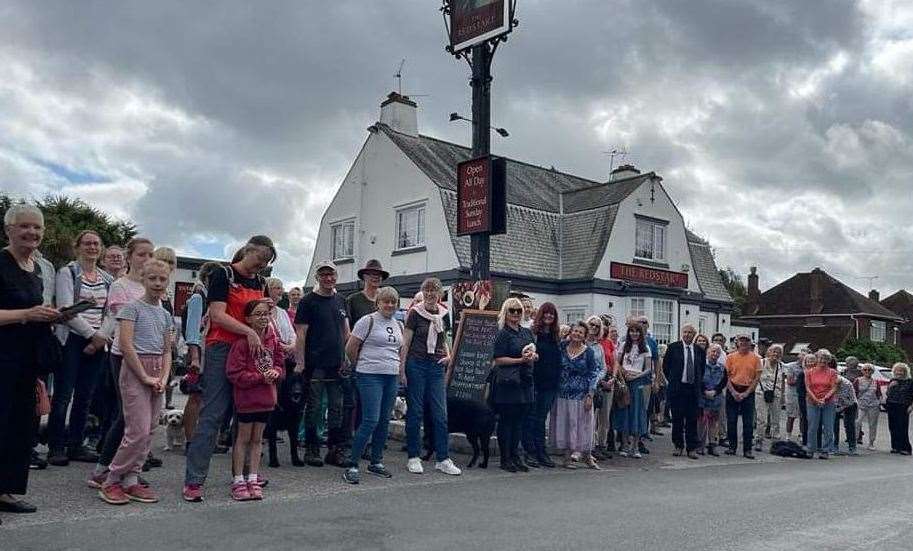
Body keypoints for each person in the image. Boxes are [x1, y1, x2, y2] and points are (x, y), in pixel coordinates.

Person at [183, 235, 275, 502]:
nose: (261, 266)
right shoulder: (223, 275)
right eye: (260, 259)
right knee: (213, 414)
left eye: (267, 262)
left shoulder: (260, 282)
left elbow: (261, 315)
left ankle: (245, 476)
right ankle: (194, 480)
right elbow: (217, 315)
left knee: (247, 416)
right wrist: (248, 331)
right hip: (223, 348)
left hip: (250, 351)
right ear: (248, 250)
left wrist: (263, 314)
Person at [0, 204, 68, 522]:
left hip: (28, 361)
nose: (32, 233)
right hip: (3, 358)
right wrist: (27, 315)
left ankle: (5, 491)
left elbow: (35, 309)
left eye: (37, 228)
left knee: (19, 428)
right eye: (24, 226)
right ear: (8, 229)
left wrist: (52, 315)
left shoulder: (37, 267)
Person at [97, 259, 173, 505]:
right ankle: (112, 477)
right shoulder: (131, 309)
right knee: (136, 430)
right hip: (135, 371)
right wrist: (144, 376)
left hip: (156, 372)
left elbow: (167, 350)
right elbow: (126, 345)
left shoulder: (165, 314)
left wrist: (162, 377)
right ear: (143, 278)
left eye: (162, 279)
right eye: (153, 278)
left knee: (150, 429)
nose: (158, 283)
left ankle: (132, 478)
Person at [88, 238, 155, 488]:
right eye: (141, 254)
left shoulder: (152, 286)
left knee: (143, 419)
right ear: (130, 257)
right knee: (127, 416)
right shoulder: (120, 286)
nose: (146, 259)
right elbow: (124, 323)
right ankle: (102, 469)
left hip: (150, 357)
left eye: (150, 255)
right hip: (123, 355)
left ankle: (128, 470)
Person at [47, 230, 114, 466]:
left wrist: (101, 338)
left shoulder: (108, 279)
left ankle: (76, 444)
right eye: (87, 243)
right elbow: (66, 309)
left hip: (98, 342)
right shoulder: (68, 272)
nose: (92, 247)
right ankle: (56, 446)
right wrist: (91, 335)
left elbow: (112, 312)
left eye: (96, 244)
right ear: (78, 247)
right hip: (72, 339)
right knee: (63, 395)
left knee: (85, 396)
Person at [400, 277, 461, 476]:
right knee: (416, 411)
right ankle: (414, 456)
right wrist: (402, 369)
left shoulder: (444, 314)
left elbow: (444, 339)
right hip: (416, 364)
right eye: (426, 291)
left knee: (440, 414)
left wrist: (449, 356)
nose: (429, 295)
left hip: (436, 366)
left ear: (439, 294)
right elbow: (406, 343)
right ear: (422, 292)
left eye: (433, 291)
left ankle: (443, 458)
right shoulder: (415, 313)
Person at [342, 287, 402, 484]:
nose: (390, 305)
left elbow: (399, 349)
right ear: (378, 303)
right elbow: (351, 347)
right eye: (386, 301)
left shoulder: (397, 323)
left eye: (393, 302)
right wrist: (359, 366)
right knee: (370, 420)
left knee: (384, 420)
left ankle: (376, 461)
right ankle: (352, 463)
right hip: (370, 375)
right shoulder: (367, 321)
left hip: (391, 376)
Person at [225, 299, 284, 500]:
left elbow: (279, 363)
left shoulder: (273, 340)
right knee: (243, 438)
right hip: (247, 399)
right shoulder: (241, 343)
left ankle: (252, 477)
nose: (263, 318)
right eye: (258, 314)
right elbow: (234, 373)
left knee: (258, 439)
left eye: (266, 314)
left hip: (267, 398)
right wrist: (260, 377)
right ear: (248, 319)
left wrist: (275, 372)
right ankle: (238, 479)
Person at [294, 261, 350, 468]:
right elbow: (301, 333)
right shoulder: (308, 301)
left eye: (331, 274)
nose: (328, 278)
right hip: (315, 363)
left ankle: (334, 450)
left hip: (337, 363)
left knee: (337, 408)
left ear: (336, 276)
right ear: (317, 277)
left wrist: (348, 358)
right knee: (315, 407)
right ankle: (312, 448)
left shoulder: (341, 300)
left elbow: (346, 333)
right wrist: (300, 362)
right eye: (324, 275)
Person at [491, 298, 537, 472]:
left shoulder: (526, 332)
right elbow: (498, 359)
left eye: (518, 310)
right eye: (512, 310)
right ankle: (505, 458)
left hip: (524, 381)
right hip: (507, 382)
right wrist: (520, 359)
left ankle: (516, 456)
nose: (516, 314)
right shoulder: (502, 333)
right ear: (506, 313)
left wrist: (533, 357)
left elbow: (534, 352)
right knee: (506, 421)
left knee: (519, 422)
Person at [181, 261, 222, 444]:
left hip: (210, 349)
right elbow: (192, 330)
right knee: (195, 396)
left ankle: (203, 439)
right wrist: (195, 357)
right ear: (205, 278)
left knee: (206, 397)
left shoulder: (213, 300)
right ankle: (190, 440)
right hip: (198, 350)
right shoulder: (199, 297)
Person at [550, 321, 601, 469]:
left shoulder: (589, 352)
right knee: (567, 425)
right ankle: (567, 458)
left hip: (581, 395)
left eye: (580, 332)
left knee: (584, 426)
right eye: (575, 331)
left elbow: (593, 374)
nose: (577, 334)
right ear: (570, 332)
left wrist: (590, 395)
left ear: (585, 335)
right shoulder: (561, 347)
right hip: (562, 394)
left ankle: (587, 456)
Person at [521, 302, 561, 468]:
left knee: (541, 419)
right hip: (535, 382)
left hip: (550, 384)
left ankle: (541, 451)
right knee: (530, 418)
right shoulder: (533, 334)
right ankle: (529, 452)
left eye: (552, 314)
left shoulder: (555, 337)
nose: (549, 316)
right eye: (546, 313)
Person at [663, 324, 706, 459]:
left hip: (693, 389)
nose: (687, 334)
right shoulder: (673, 348)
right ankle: (678, 445)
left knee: (692, 419)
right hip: (678, 388)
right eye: (685, 332)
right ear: (682, 333)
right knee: (677, 419)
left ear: (694, 335)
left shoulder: (699, 350)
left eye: (690, 333)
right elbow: (666, 367)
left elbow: (702, 368)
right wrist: (673, 380)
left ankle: (691, 448)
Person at [613, 322, 654, 458]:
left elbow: (648, 368)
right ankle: (624, 445)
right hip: (625, 382)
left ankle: (635, 446)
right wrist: (623, 374)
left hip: (637, 383)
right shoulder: (624, 346)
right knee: (624, 412)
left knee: (637, 412)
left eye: (637, 331)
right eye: (632, 331)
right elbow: (617, 363)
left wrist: (637, 375)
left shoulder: (646, 347)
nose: (634, 334)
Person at [724, 335, 762, 459]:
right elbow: (726, 377)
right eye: (742, 341)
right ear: (737, 343)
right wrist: (734, 392)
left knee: (748, 422)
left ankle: (747, 449)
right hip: (733, 388)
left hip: (748, 390)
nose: (744, 343)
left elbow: (757, 378)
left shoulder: (756, 358)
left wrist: (747, 393)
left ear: (750, 343)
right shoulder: (730, 357)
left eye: (747, 341)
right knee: (731, 420)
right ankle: (732, 447)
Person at [805, 349, 839, 459]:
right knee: (812, 427)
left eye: (825, 358)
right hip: (812, 401)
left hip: (828, 402)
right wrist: (815, 399)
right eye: (820, 358)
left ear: (828, 360)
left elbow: (834, 387)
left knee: (828, 427)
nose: (822, 360)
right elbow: (808, 387)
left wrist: (825, 398)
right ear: (817, 358)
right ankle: (810, 449)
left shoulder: (833, 372)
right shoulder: (809, 372)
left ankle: (826, 450)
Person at [593, 319, 618, 459]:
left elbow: (615, 362)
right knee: (594, 416)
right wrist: (601, 381)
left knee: (605, 416)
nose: (597, 327)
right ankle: (593, 445)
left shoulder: (609, 343)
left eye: (600, 325)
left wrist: (613, 378)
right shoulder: (592, 343)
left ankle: (602, 444)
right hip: (596, 382)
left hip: (609, 381)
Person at [755, 344, 786, 451]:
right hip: (761, 393)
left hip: (776, 393)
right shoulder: (761, 362)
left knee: (776, 419)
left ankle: (776, 441)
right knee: (761, 419)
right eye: (774, 351)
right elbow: (755, 377)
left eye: (778, 352)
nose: (775, 354)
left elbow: (782, 381)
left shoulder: (782, 366)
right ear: (769, 352)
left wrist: (782, 395)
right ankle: (759, 440)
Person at [698, 344, 727, 455]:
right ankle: (700, 445)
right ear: (708, 352)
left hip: (716, 397)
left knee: (713, 422)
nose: (714, 354)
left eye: (717, 352)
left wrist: (715, 391)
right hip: (703, 397)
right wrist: (705, 391)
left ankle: (712, 445)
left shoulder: (722, 367)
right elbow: (698, 379)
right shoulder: (701, 365)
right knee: (701, 421)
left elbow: (723, 382)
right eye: (713, 351)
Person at [347, 259, 389, 324]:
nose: (376, 277)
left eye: (379, 275)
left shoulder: (386, 299)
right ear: (364, 276)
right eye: (372, 274)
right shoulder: (352, 300)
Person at [885, 362, 913, 455]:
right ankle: (895, 447)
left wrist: (911, 406)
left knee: (902, 427)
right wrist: (890, 386)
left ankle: (906, 448)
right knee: (892, 427)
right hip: (891, 405)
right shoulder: (892, 380)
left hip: (903, 406)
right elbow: (888, 394)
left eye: (901, 371)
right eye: (897, 371)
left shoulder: (910, 381)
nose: (899, 373)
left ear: (905, 372)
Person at [854, 364, 882, 450]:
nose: (867, 371)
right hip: (861, 404)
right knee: (857, 422)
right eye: (865, 370)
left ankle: (871, 443)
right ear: (862, 371)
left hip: (873, 405)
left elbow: (879, 393)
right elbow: (853, 392)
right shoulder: (857, 380)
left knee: (872, 424)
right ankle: (854, 441)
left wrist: (879, 402)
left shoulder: (876, 382)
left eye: (869, 370)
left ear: (872, 371)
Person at [832, 370, 858, 456]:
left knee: (849, 425)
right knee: (834, 425)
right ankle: (834, 446)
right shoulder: (830, 381)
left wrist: (837, 409)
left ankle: (852, 447)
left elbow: (846, 401)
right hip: (836, 403)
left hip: (850, 403)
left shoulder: (846, 384)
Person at [784, 351, 805, 442]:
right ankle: (788, 435)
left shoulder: (809, 367)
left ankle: (801, 434)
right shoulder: (792, 366)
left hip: (804, 394)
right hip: (793, 394)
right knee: (791, 415)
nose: (804, 358)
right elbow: (790, 381)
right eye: (802, 356)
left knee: (803, 416)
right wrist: (801, 380)